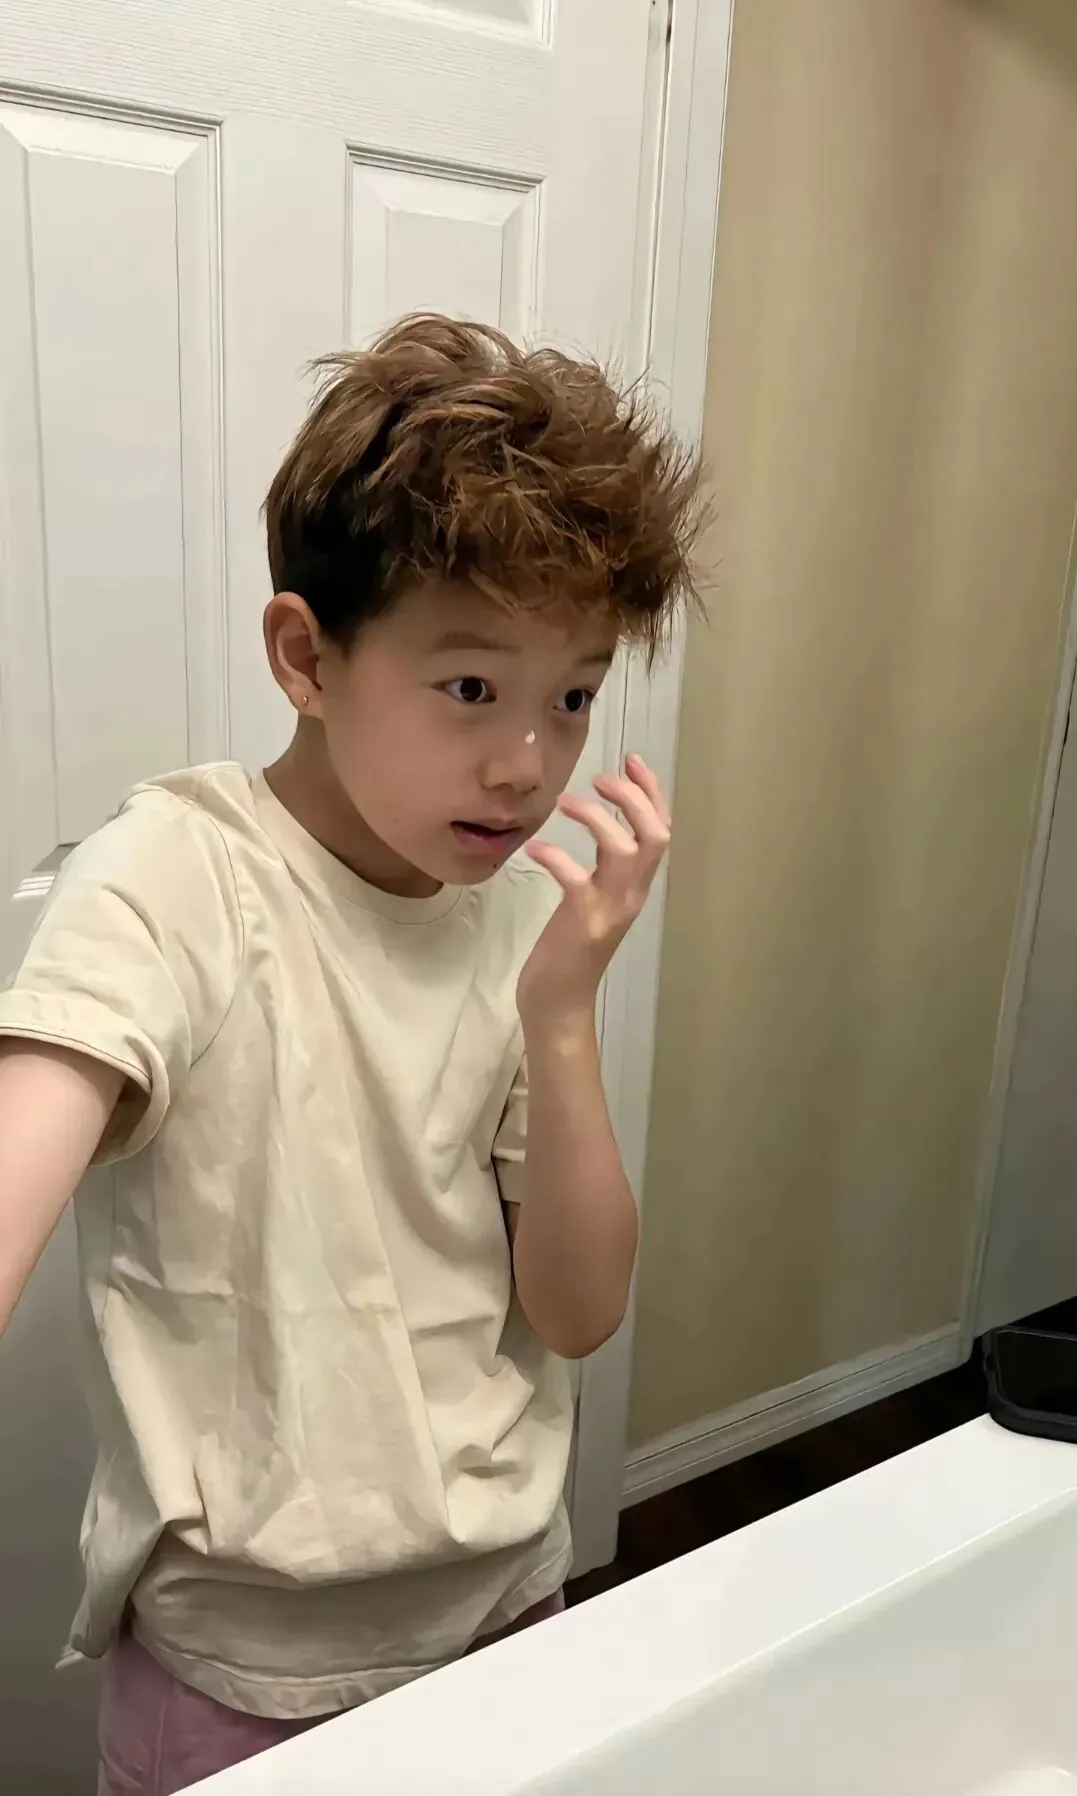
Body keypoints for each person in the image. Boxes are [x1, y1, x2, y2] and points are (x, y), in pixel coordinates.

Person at [0, 314, 700, 1794]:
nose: (528, 762)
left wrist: (564, 1013)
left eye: (574, 696)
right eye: (472, 688)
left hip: (508, 1609)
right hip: (246, 1676)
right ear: (306, 655)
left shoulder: (524, 916)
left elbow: (578, 1313)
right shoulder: (174, 877)